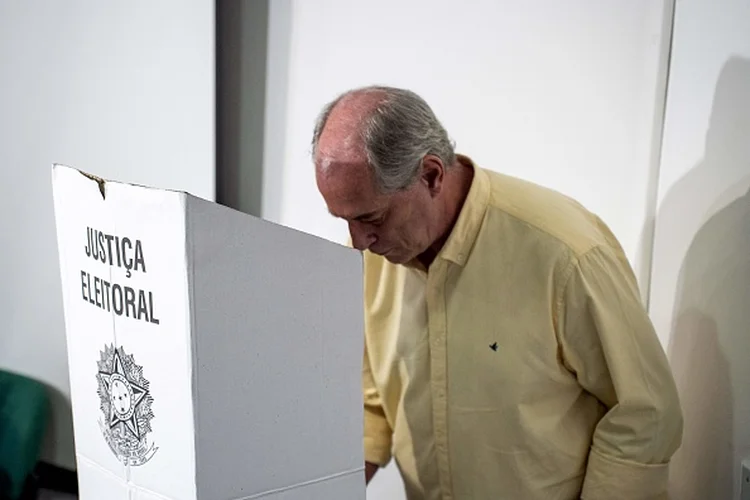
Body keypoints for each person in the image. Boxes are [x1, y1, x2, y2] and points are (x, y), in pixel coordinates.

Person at [311, 85, 683, 500]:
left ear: (431, 175)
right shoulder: (369, 258)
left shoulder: (566, 253)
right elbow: (372, 401)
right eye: (343, 219)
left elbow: (645, 413)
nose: (359, 241)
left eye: (371, 217)